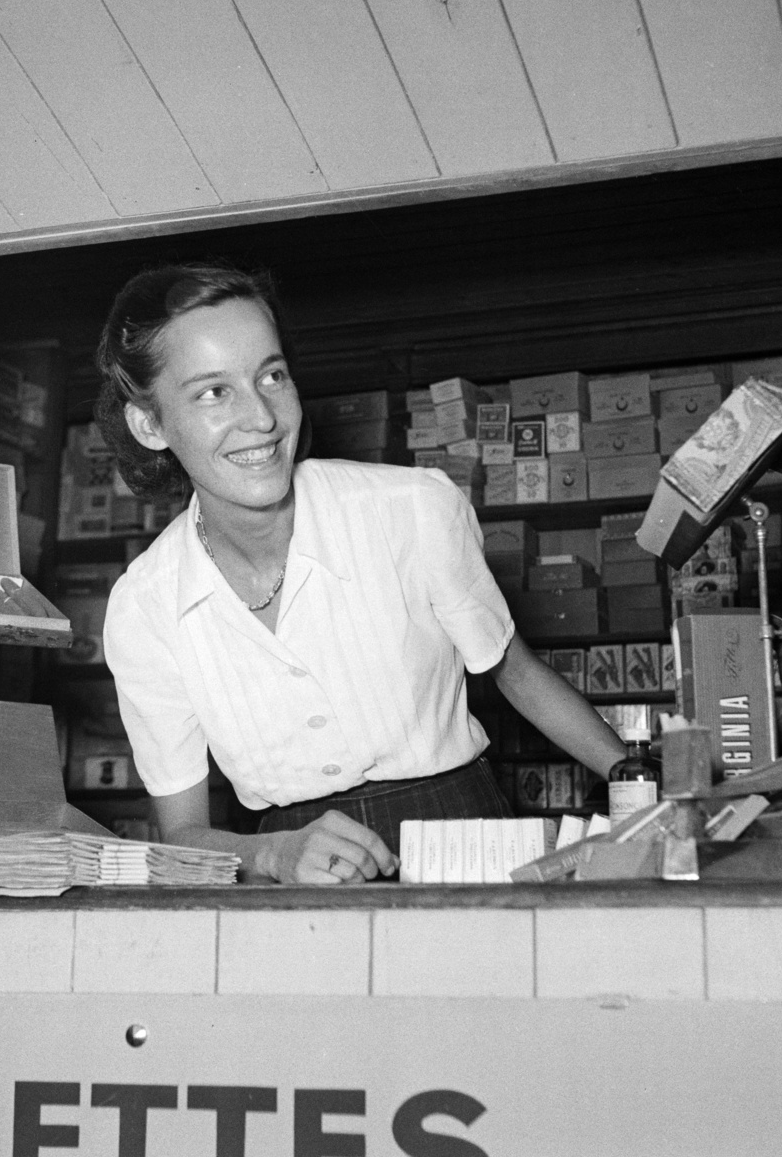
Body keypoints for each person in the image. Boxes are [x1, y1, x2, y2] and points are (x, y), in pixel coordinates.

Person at [97, 264, 627, 884]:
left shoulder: (412, 510)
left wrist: (638, 783)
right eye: (214, 392)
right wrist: (271, 854)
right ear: (150, 424)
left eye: (272, 376)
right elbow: (182, 833)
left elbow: (515, 671)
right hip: (291, 864)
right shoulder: (144, 606)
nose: (264, 419)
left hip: (457, 842)